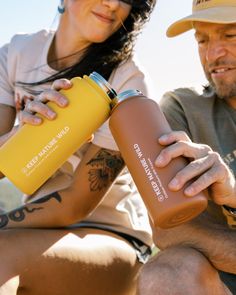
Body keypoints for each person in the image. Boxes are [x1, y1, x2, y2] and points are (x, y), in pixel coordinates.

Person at [0, 0, 156, 294]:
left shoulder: (127, 81)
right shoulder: (16, 54)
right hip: (32, 229)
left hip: (112, 235)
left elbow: (76, 202)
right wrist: (20, 136)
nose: (112, 4)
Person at [137, 0, 236, 294]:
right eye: (202, 40)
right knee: (166, 272)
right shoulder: (181, 109)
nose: (212, 54)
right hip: (218, 284)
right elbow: (171, 229)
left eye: (230, 36)